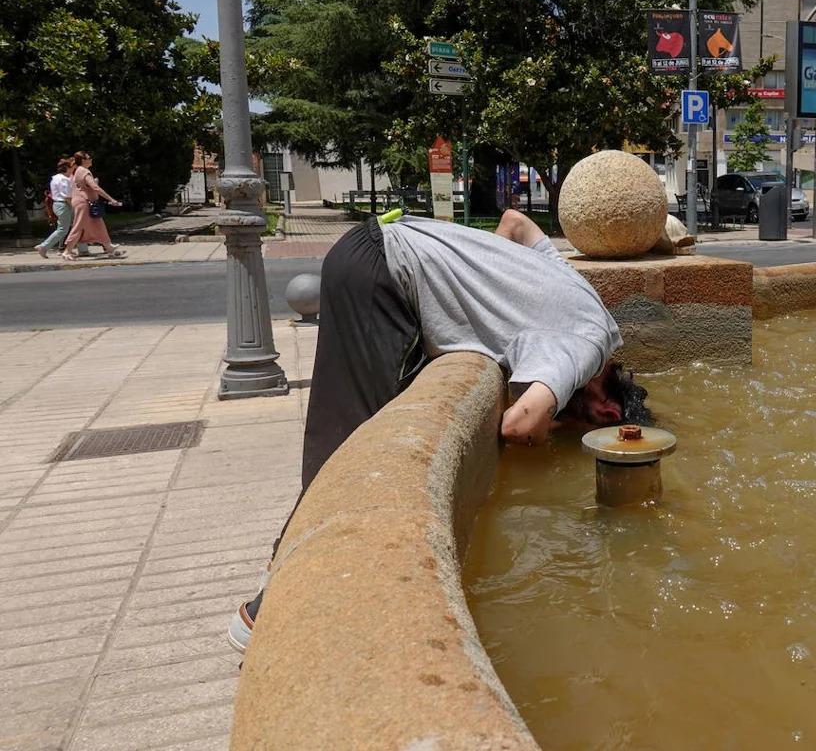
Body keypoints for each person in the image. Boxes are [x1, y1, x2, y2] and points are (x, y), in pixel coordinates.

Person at [227, 208, 650, 653]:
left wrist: (480, 284)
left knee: (346, 433)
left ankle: (280, 563)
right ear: (606, 411)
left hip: (384, 244)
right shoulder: (584, 346)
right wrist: (548, 425)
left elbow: (513, 222)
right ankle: (267, 611)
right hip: (382, 277)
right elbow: (520, 422)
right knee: (345, 449)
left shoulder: (589, 299)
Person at [62, 151, 125, 260]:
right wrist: (111, 199)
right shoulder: (84, 171)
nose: (91, 159)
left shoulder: (77, 171)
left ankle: (109, 247)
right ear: (83, 160)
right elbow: (95, 188)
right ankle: (67, 251)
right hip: (84, 202)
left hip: (83, 201)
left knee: (98, 223)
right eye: (89, 157)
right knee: (78, 226)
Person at [35, 158, 75, 258]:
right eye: (72, 167)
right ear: (67, 168)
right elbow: (67, 196)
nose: (74, 168)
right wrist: (74, 207)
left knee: (70, 227)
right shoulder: (63, 180)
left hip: (59, 204)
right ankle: (44, 246)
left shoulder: (56, 178)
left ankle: (77, 249)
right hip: (64, 205)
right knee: (63, 229)